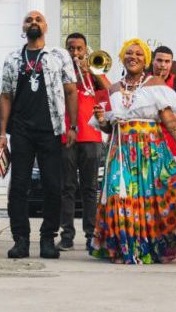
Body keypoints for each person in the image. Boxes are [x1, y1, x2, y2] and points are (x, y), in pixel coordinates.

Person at [89, 38, 176, 264]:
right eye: (129, 53)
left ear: (146, 61)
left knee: (151, 197)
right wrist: (102, 119)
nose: (134, 57)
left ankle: (150, 247)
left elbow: (168, 117)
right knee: (117, 195)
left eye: (139, 55)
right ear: (122, 57)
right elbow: (107, 126)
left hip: (150, 148)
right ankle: (124, 246)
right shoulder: (112, 88)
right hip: (120, 149)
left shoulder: (155, 83)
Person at [0, 10, 78, 260]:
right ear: (23, 27)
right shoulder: (13, 58)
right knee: (19, 187)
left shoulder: (58, 55)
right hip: (21, 131)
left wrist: (73, 126)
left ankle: (47, 239)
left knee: (53, 185)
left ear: (46, 26)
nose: (33, 22)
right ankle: (20, 240)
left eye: (38, 20)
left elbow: (71, 90)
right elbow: (6, 95)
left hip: (51, 130)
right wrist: (2, 133)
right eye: (28, 20)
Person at [58, 32, 110, 252]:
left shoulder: (94, 74)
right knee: (67, 187)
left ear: (86, 50)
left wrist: (93, 71)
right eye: (71, 48)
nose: (75, 53)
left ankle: (91, 233)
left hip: (91, 136)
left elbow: (110, 91)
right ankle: (67, 235)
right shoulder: (61, 72)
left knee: (90, 188)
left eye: (79, 48)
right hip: (66, 136)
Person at [151, 45, 176, 155]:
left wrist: (159, 117)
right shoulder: (144, 81)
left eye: (167, 61)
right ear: (152, 61)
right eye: (159, 60)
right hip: (147, 140)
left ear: (171, 63)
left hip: (172, 141)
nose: (163, 65)